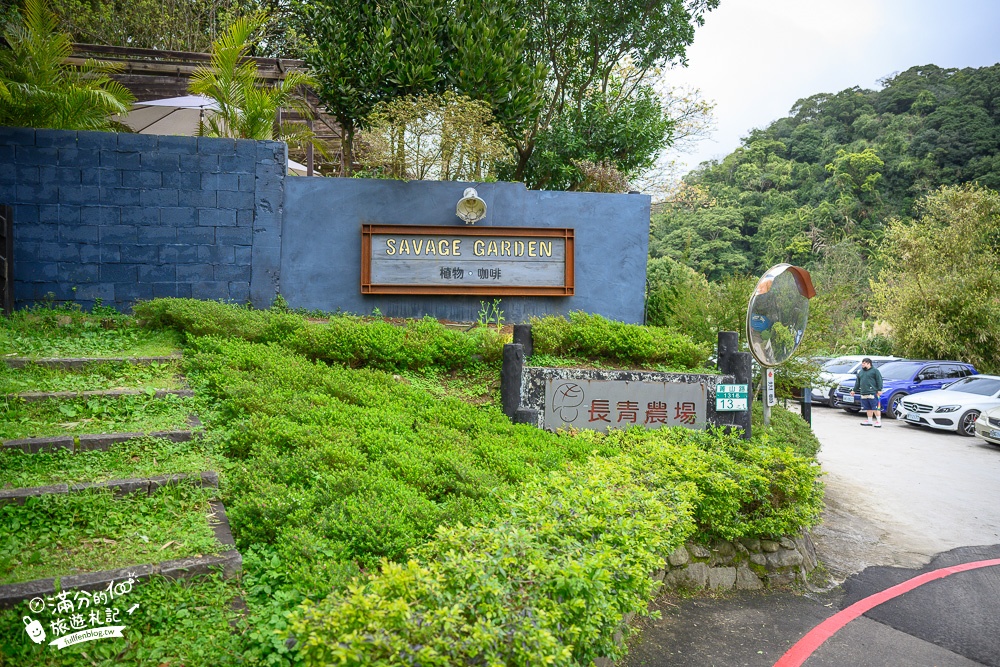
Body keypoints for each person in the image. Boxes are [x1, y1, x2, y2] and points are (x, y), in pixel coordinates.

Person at [851, 357, 884, 427]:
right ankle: (869, 420)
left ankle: (878, 421)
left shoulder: (875, 371)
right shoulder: (861, 372)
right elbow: (857, 382)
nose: (862, 365)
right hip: (864, 393)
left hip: (873, 392)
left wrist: (879, 389)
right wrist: (854, 390)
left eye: (864, 363)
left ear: (869, 364)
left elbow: (879, 380)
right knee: (868, 408)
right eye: (862, 363)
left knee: (875, 407)